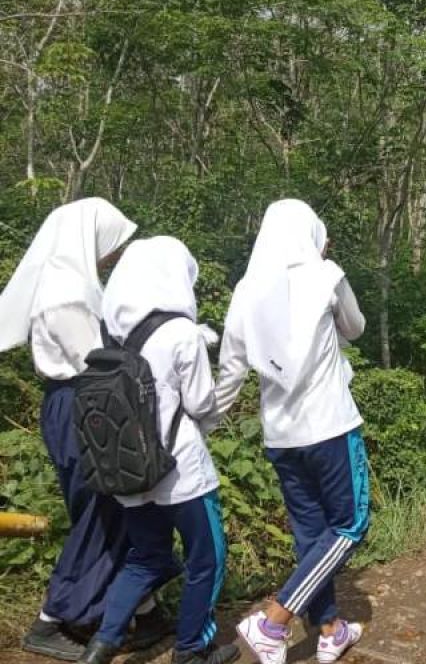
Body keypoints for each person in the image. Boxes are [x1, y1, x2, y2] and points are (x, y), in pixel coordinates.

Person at [0, 198, 171, 661]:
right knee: (102, 509)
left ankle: (146, 612)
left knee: (113, 509)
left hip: (81, 405)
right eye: (109, 244)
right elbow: (96, 362)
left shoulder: (68, 284)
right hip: (87, 406)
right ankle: (51, 620)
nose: (113, 254)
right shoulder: (68, 293)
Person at [214, 199, 368, 664]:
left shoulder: (246, 290)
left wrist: (197, 426)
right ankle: (272, 622)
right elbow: (356, 328)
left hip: (280, 436)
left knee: (311, 533)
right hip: (330, 427)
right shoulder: (325, 275)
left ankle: (331, 629)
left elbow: (230, 372)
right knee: (351, 525)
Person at [78, 237, 237, 664]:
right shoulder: (181, 333)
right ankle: (191, 649)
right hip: (181, 471)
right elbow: (202, 403)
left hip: (127, 472)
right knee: (207, 558)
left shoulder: (109, 335)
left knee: (145, 559)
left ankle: (100, 648)